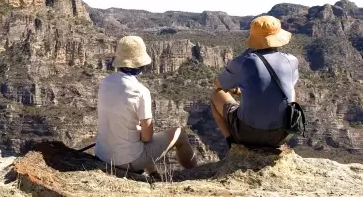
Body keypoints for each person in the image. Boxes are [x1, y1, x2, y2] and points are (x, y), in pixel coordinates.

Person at [94, 35, 198, 175]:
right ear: (140, 63)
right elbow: (147, 137)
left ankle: (154, 176)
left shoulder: (105, 82)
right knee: (180, 134)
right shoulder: (140, 91)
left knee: (139, 136)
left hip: (102, 155)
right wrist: (140, 132)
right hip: (126, 161)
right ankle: (195, 174)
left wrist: (135, 130)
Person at [210, 15, 299, 149]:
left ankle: (232, 142)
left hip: (247, 135)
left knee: (216, 94)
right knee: (291, 91)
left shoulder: (243, 61)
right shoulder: (292, 61)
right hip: (281, 135)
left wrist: (236, 90)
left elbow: (218, 84)